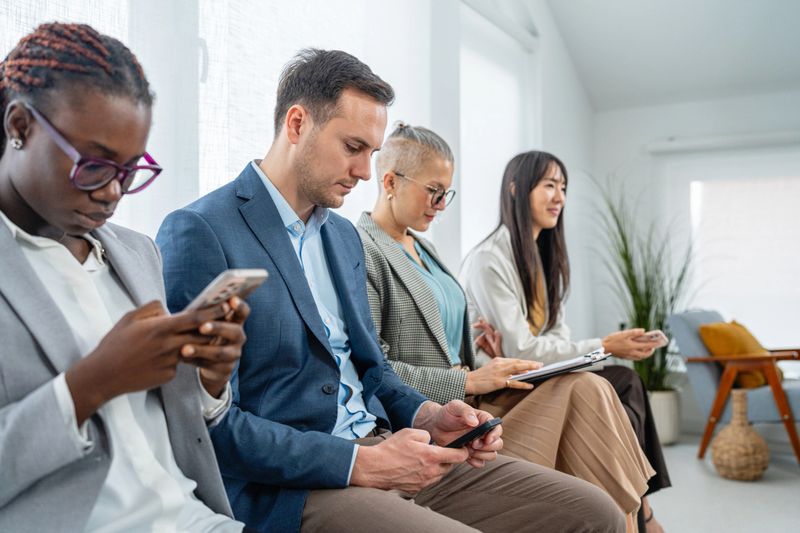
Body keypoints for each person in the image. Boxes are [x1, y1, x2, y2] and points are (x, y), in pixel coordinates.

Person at [156, 48, 625, 533]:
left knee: (597, 514)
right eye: (352, 147)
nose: (364, 173)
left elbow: (373, 372)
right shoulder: (201, 231)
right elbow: (202, 421)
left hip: (393, 443)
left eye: (372, 154)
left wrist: (428, 415)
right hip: (295, 486)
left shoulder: (341, 238)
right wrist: (356, 463)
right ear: (297, 124)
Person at [0, 23, 253, 532]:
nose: (113, 193)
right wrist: (89, 385)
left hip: (194, 518)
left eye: (132, 170)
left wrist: (208, 379)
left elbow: (168, 426)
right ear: (21, 126)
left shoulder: (138, 254)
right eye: (93, 165)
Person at [357, 122, 654, 529]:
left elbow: (454, 347)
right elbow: (374, 369)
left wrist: (484, 359)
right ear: (390, 181)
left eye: (448, 193)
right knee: (587, 393)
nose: (442, 205)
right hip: (438, 417)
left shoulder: (424, 248)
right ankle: (640, 519)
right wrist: (468, 381)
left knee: (589, 386)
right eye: (434, 191)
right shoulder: (364, 249)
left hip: (474, 404)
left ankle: (631, 518)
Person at [460, 150, 672, 533]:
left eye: (563, 187)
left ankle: (638, 513)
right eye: (548, 185)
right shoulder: (489, 259)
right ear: (515, 190)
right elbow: (522, 349)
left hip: (531, 370)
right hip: (504, 383)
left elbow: (556, 335)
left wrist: (599, 347)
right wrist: (607, 345)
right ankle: (642, 516)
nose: (559, 196)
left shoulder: (542, 257)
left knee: (627, 382)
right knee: (619, 383)